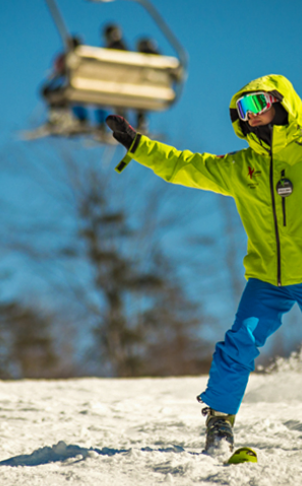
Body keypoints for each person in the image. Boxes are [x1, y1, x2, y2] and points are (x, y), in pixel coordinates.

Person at [105, 75, 301, 457]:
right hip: (268, 278)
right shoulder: (241, 167)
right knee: (238, 343)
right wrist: (138, 146)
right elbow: (185, 165)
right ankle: (220, 423)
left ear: (281, 102)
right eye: (242, 109)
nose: (250, 115)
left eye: (257, 104)